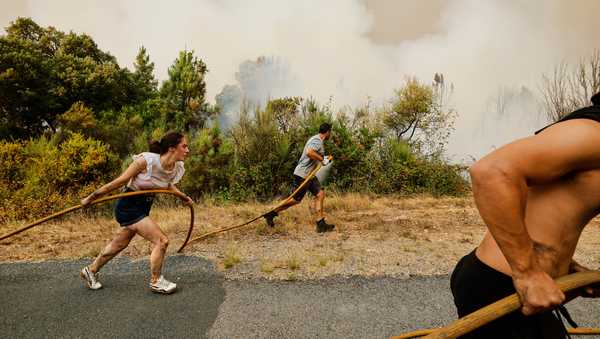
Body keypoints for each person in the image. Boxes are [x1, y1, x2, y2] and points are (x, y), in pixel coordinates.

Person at [450, 92, 600, 338]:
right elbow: (490, 173)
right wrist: (528, 274)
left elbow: (552, 207)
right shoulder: (593, 133)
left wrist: (566, 269)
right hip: (500, 285)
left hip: (509, 284)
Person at [79, 132, 193, 294]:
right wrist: (91, 197)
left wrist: (184, 197)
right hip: (128, 206)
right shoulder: (146, 161)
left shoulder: (175, 168)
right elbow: (118, 182)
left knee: (118, 244)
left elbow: (167, 185)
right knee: (162, 241)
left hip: (144, 207)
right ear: (172, 148)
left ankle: (90, 270)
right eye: (184, 146)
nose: (187, 150)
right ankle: (156, 281)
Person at [263, 123, 335, 233]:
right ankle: (271, 213)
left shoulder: (318, 141)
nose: (331, 134)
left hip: (310, 176)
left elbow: (315, 156)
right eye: (331, 132)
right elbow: (309, 152)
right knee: (295, 200)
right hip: (303, 174)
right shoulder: (317, 140)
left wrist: (324, 160)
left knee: (320, 194)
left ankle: (321, 224)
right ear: (328, 132)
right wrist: (322, 159)